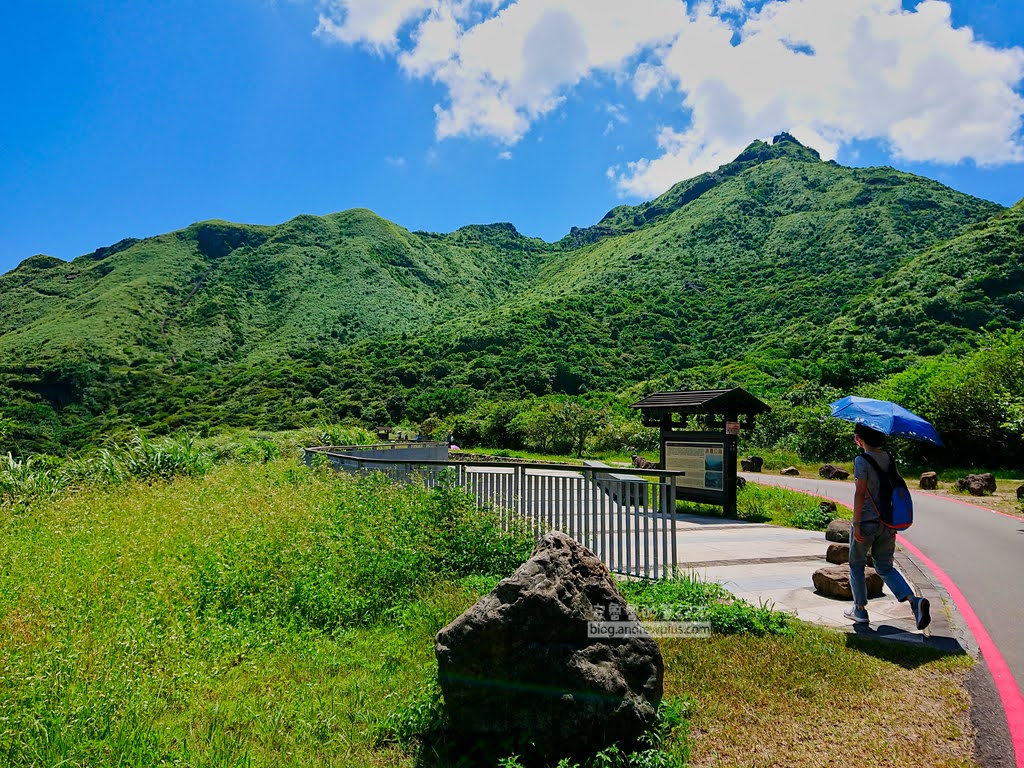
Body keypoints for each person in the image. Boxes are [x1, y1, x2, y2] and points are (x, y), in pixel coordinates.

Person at [845, 423, 931, 630]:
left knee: (856, 565)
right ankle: (914, 601)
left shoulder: (861, 460)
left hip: (866, 522)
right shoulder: (888, 458)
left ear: (859, 439)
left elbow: (860, 493)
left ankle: (860, 610)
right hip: (887, 521)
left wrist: (855, 524)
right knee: (884, 566)